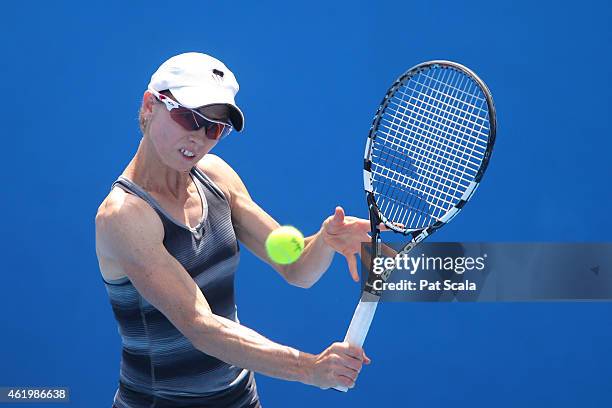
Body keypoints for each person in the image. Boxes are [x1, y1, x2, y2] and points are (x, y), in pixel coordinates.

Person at [95, 52, 374, 408]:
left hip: (240, 399)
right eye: (187, 117)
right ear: (150, 105)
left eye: (213, 128)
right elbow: (199, 325)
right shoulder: (123, 215)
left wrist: (325, 240)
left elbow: (296, 266)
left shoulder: (216, 177)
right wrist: (309, 368)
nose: (199, 137)